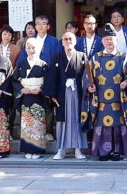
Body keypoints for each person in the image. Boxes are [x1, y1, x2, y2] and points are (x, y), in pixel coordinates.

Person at [83, 23, 127, 161]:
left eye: (111, 39)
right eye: (106, 39)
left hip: (118, 98)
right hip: (100, 99)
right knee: (102, 125)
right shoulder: (95, 58)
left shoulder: (124, 58)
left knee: (118, 126)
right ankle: (102, 152)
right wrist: (89, 86)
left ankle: (117, 151)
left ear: (116, 40)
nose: (109, 41)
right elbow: (87, 76)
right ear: (102, 41)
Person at [17, 15, 61, 142]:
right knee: (31, 107)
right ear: (35, 26)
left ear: (48, 26)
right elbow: (21, 62)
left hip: (48, 77)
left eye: (43, 23)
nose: (41, 26)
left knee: (47, 105)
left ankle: (47, 131)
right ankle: (30, 133)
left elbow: (57, 60)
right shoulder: (30, 42)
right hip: (30, 82)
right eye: (38, 23)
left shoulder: (54, 41)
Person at [48, 32, 88, 160]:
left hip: (77, 92)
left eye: (70, 39)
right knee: (61, 121)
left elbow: (87, 76)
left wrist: (81, 84)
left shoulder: (82, 56)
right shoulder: (57, 57)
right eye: (65, 39)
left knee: (77, 119)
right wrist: (52, 94)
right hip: (62, 93)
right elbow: (52, 77)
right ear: (62, 42)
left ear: (75, 41)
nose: (68, 41)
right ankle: (61, 149)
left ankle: (78, 149)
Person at [13, 38, 48, 159]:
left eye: (33, 47)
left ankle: (37, 149)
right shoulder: (22, 64)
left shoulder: (43, 64)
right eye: (28, 47)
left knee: (38, 124)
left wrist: (41, 89)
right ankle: (28, 149)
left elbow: (48, 82)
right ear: (25, 49)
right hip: (26, 96)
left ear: (39, 49)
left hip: (38, 96)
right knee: (26, 124)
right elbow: (14, 80)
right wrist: (22, 89)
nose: (31, 50)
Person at [0, 24, 21, 139]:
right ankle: (0, 131)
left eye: (9, 34)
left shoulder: (16, 49)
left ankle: (9, 130)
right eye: (4, 34)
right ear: (1, 35)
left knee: (11, 106)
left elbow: (18, 65)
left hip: (11, 80)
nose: (6, 36)